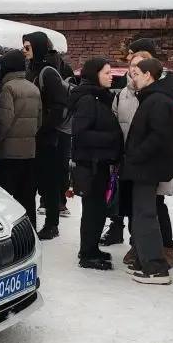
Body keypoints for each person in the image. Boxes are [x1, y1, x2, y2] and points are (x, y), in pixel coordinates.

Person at [121, 58, 173, 284]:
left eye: (136, 73)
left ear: (148, 75)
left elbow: (159, 137)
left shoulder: (158, 100)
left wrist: (136, 155)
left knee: (145, 216)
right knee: (142, 215)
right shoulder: (152, 97)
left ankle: (155, 268)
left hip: (147, 168)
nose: (133, 78)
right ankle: (145, 261)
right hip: (144, 167)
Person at [70, 58, 123, 270]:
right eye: (106, 73)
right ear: (95, 74)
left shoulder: (100, 97)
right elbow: (80, 133)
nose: (111, 77)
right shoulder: (87, 99)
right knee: (92, 210)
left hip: (100, 162)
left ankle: (92, 248)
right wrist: (112, 138)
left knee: (99, 209)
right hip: (90, 164)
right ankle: (87, 254)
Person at [23, 31, 71, 240]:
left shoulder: (48, 72)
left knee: (49, 182)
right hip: (33, 136)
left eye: (27, 47)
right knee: (32, 181)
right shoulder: (31, 69)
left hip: (48, 138)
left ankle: (52, 224)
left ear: (38, 47)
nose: (24, 51)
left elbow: (58, 106)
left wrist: (44, 129)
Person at [0, 49, 42, 224]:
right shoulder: (34, 88)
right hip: (29, 151)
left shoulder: (7, 88)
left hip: (8, 153)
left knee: (5, 198)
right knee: (27, 197)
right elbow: (39, 121)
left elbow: (4, 121)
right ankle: (30, 230)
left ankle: (8, 232)